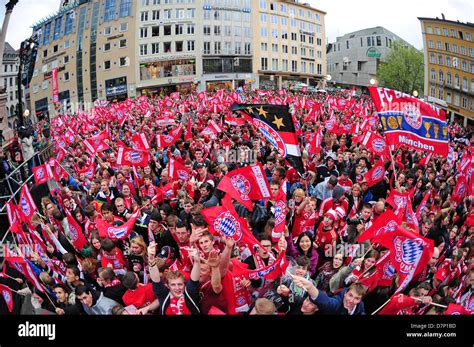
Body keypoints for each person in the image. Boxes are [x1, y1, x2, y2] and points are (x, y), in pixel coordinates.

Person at [149, 242, 201, 315]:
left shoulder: (190, 294)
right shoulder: (164, 295)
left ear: (184, 284)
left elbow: (194, 279)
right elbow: (156, 280)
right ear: (168, 285)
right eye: (173, 285)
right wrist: (151, 259)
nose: (177, 288)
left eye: (180, 284)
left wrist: (197, 261)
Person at [292, 277, 367, 315]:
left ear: (360, 300)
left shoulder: (361, 306)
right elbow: (326, 301)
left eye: (357, 298)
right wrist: (310, 286)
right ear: (345, 293)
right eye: (350, 295)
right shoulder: (337, 302)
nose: (351, 300)